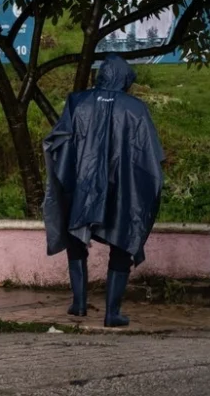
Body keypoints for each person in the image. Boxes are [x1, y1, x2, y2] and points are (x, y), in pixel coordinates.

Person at [42, 55, 165, 327]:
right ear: (125, 80)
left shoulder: (77, 102)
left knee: (76, 235)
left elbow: (59, 143)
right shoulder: (135, 108)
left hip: (81, 183)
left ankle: (79, 304)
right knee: (122, 239)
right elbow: (148, 157)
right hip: (122, 187)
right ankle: (112, 313)